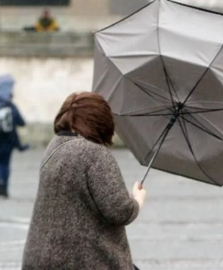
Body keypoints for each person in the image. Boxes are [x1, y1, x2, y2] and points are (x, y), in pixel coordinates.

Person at [22, 92, 147, 270]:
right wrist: (138, 200)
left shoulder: (54, 146)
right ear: (100, 122)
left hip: (40, 258)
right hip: (84, 261)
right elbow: (119, 210)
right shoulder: (93, 154)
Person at [0, 94, 29, 198]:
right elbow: (22, 122)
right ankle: (5, 187)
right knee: (6, 164)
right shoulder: (12, 108)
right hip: (9, 140)